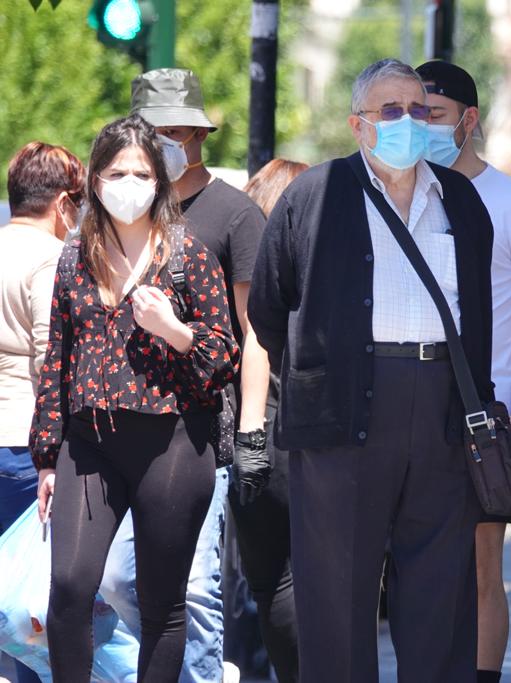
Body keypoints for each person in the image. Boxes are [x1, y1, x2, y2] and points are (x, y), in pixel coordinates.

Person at [248, 58, 494, 683]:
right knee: (337, 594)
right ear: (359, 125)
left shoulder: (459, 200)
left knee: (439, 591)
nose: (409, 121)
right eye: (391, 110)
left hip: (440, 409)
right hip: (340, 417)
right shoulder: (314, 194)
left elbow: (479, 317)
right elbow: (268, 309)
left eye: (419, 109)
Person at [29, 114, 239, 681]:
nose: (128, 184)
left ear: (159, 182)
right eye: (116, 171)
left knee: (163, 601)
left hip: (172, 441)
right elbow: (59, 360)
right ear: (95, 181)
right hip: (89, 440)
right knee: (70, 586)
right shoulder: (75, 256)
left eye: (141, 172)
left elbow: (224, 356)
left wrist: (174, 329)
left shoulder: (189, 253)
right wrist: (47, 456)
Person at [98, 68, 271, 683]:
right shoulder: (119, 212)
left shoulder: (233, 214)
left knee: (194, 585)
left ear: (201, 135)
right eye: (156, 131)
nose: (170, 142)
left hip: (202, 427)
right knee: (117, 577)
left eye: (181, 131)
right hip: (122, 426)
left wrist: (251, 430)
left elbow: (256, 333)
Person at [415, 59, 511, 683]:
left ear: (468, 121)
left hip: (487, 420)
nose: (419, 128)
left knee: (481, 569)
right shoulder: (395, 195)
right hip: (407, 410)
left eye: (434, 115)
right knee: (415, 567)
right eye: (407, 114)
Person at [219, 158, 310, 683]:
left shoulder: (240, 269)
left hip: (254, 433)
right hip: (308, 432)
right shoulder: (320, 269)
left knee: (270, 580)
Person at [0, 142, 85, 683]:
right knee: (30, 596)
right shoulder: (48, 258)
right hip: (27, 448)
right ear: (61, 203)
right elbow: (46, 360)